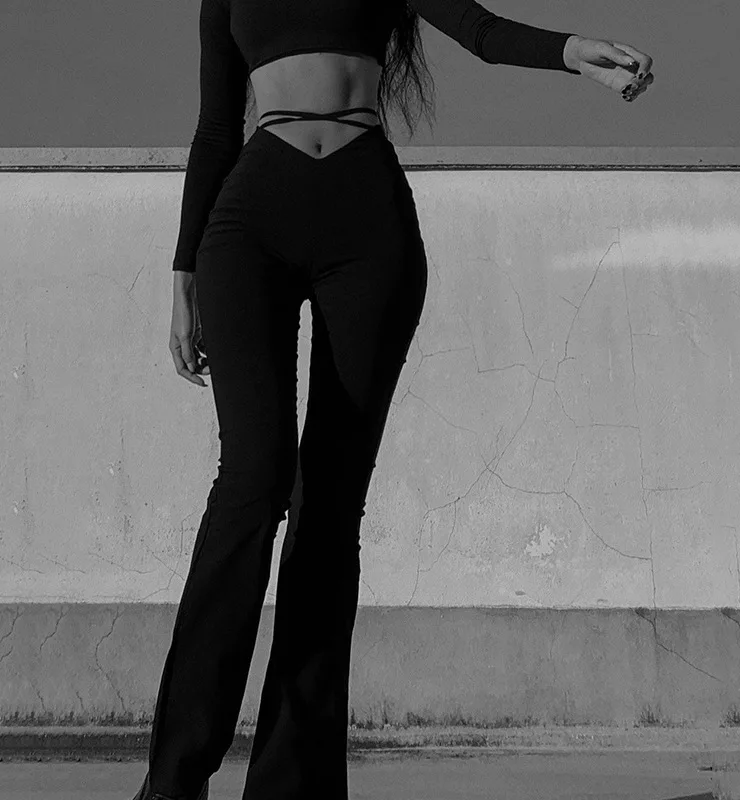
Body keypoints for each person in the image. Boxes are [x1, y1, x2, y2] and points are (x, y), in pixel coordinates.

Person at [137, 1, 654, 798]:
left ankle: (293, 787)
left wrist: (572, 50)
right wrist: (182, 276)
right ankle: (173, 781)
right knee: (250, 481)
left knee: (329, 506)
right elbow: (215, 130)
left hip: (366, 220)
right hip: (248, 224)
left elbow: (480, 31)